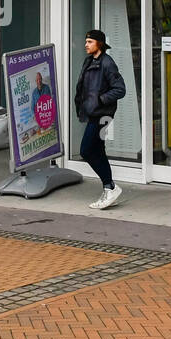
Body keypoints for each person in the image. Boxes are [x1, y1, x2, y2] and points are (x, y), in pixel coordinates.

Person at [74, 29, 126, 211]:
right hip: (94, 113)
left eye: (89, 41)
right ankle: (109, 189)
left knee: (86, 150)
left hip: (103, 114)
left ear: (99, 44)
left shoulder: (107, 63)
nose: (85, 44)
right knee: (98, 150)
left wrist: (100, 100)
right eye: (86, 41)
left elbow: (120, 89)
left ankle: (110, 186)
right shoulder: (90, 61)